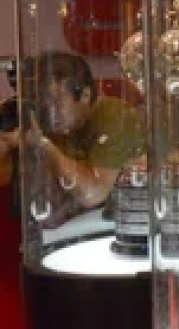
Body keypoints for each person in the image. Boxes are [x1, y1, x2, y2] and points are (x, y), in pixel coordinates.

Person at [0, 50, 144, 226]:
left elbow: (93, 194)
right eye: (43, 103)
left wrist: (43, 145)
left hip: (120, 228)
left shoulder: (116, 116)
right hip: (70, 232)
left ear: (85, 96)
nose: (50, 112)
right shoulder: (53, 122)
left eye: (56, 102)